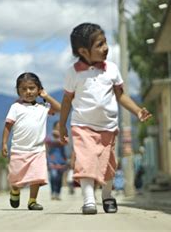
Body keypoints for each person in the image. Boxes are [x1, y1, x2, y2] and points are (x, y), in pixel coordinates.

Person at [59, 23, 152, 215]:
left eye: (105, 42)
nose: (106, 48)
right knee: (85, 162)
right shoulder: (73, 72)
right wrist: (62, 126)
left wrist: (137, 111)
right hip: (82, 125)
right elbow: (67, 100)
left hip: (108, 126)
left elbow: (121, 96)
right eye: (100, 45)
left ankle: (107, 196)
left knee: (108, 164)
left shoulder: (111, 69)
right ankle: (89, 200)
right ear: (83, 51)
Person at [1, 72, 61, 210]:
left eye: (32, 88)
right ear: (18, 91)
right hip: (18, 149)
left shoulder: (43, 107)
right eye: (23, 89)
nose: (28, 92)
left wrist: (46, 97)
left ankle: (32, 201)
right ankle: (15, 190)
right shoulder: (16, 107)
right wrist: (4, 143)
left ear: (39, 89)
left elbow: (59, 109)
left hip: (37, 150)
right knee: (16, 177)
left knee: (37, 177)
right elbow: (8, 126)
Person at [45, 121, 68, 200]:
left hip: (61, 160)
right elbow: (47, 142)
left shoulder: (63, 136)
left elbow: (65, 142)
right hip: (52, 160)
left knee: (59, 179)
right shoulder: (50, 136)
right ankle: (53, 192)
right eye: (57, 126)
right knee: (53, 177)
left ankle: (58, 193)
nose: (59, 127)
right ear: (54, 127)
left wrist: (60, 136)